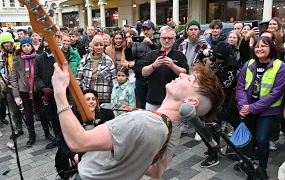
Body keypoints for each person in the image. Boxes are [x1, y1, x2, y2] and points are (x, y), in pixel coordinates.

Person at [52, 60, 224, 179]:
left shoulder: (140, 121)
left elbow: (78, 142)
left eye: (190, 79)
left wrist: (59, 93)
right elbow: (156, 172)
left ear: (191, 101)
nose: (182, 75)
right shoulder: (173, 129)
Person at [237, 36, 285, 178]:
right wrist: (243, 105)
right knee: (248, 138)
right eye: (257, 46)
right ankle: (247, 163)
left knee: (262, 139)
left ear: (271, 48)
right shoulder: (249, 63)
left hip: (267, 111)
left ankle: (262, 168)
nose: (259, 48)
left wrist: (252, 108)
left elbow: (276, 93)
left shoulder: (280, 66)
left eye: (264, 46)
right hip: (247, 108)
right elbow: (240, 87)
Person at [195, 41, 239, 168]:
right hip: (210, 99)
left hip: (224, 102)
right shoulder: (214, 57)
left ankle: (214, 155)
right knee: (203, 125)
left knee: (214, 126)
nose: (216, 60)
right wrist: (201, 55)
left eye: (220, 58)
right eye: (215, 56)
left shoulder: (232, 65)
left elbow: (224, 84)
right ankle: (212, 150)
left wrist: (207, 77)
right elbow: (195, 67)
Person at [11, 37, 54, 147]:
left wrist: (43, 88)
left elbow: (41, 74)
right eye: (24, 46)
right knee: (28, 114)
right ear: (21, 47)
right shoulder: (17, 59)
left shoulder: (38, 58)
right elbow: (14, 78)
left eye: (28, 45)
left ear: (32, 46)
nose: (26, 48)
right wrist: (16, 95)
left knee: (41, 112)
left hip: (36, 89)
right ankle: (32, 135)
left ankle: (47, 132)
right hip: (24, 90)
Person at [141, 27, 188, 111]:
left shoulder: (179, 55)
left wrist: (173, 66)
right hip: (153, 100)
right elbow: (143, 72)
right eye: (164, 38)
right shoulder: (151, 54)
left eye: (169, 38)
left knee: (171, 124)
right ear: (160, 39)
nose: (166, 40)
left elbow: (184, 73)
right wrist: (153, 66)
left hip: (173, 100)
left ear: (174, 40)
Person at [125, 20, 161, 109]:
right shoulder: (138, 42)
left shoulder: (159, 40)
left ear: (153, 30)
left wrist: (151, 45)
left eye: (148, 29)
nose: (145, 32)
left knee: (153, 104)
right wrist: (128, 47)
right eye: (143, 29)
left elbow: (161, 54)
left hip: (154, 78)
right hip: (140, 77)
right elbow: (130, 58)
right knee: (141, 104)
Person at [34, 38, 60, 149]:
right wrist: (43, 88)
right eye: (46, 42)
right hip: (47, 94)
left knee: (61, 118)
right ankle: (57, 138)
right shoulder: (40, 59)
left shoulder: (59, 56)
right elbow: (37, 76)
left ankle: (64, 138)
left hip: (60, 93)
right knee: (52, 117)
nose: (48, 44)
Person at [76, 35, 117, 103]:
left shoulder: (109, 61)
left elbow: (114, 82)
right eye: (96, 45)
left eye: (101, 45)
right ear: (93, 46)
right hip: (88, 99)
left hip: (104, 99)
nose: (99, 47)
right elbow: (78, 80)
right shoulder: (84, 60)